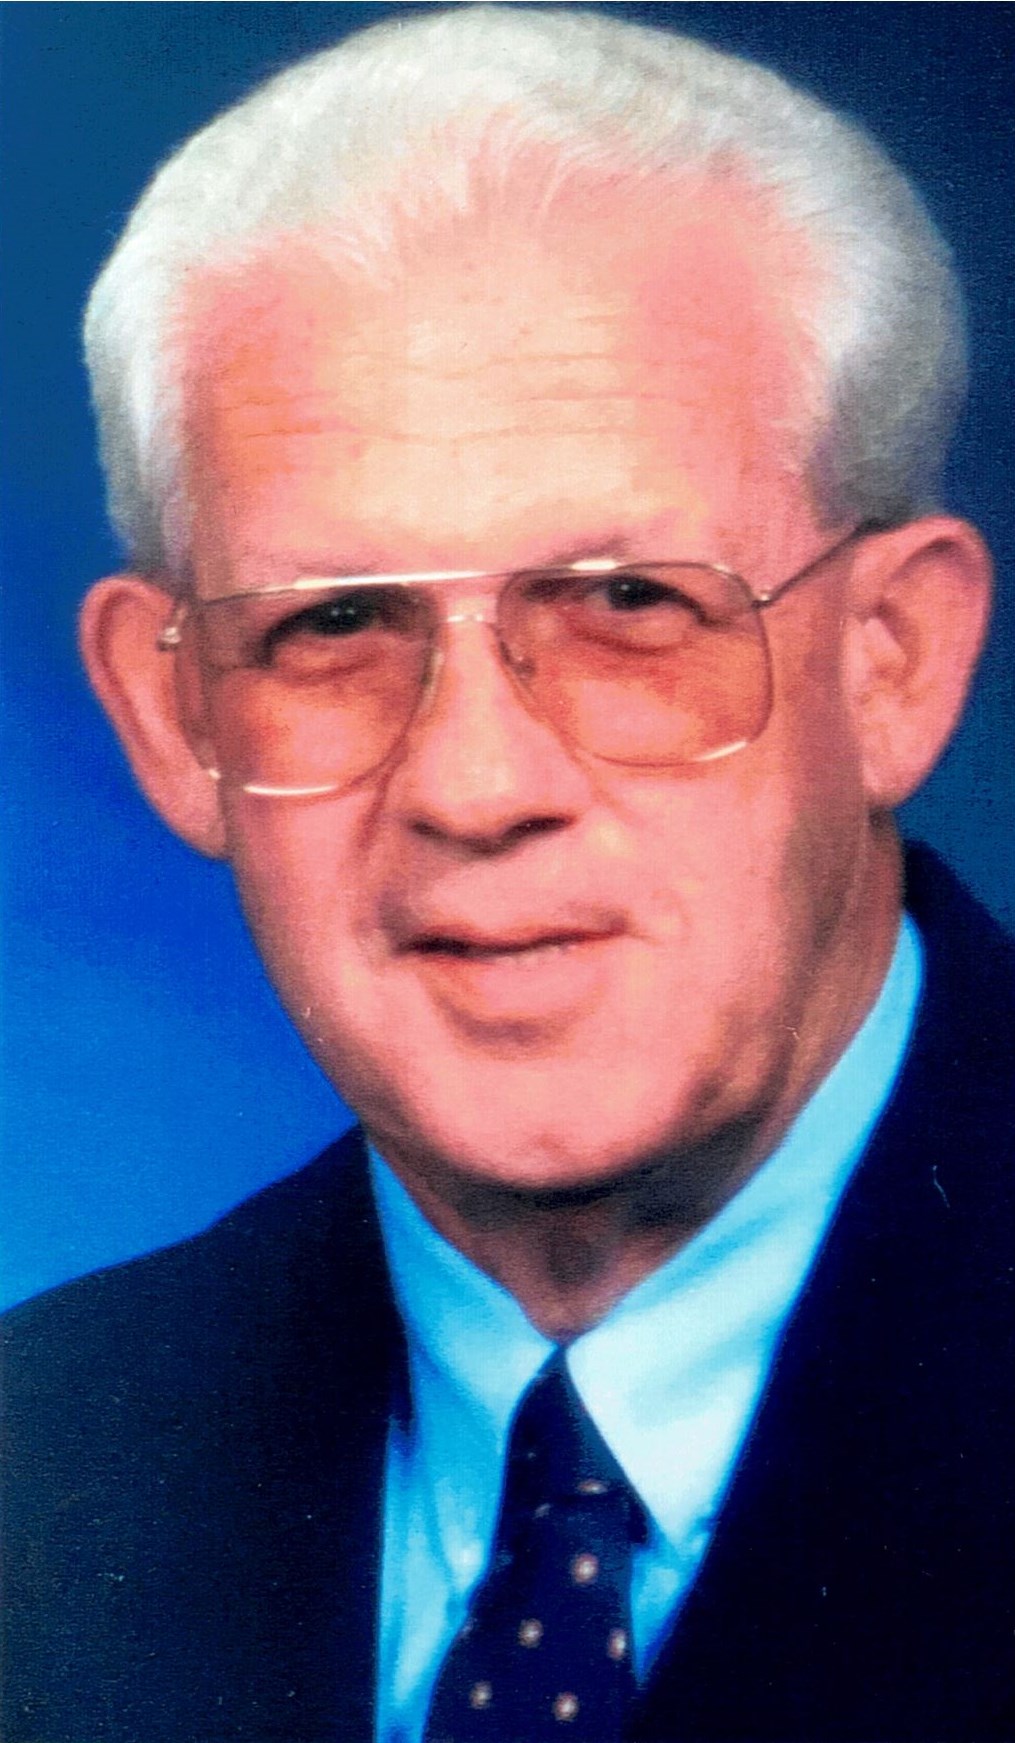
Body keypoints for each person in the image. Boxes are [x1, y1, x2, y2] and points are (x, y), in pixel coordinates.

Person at [2, 8, 1011, 1741]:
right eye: (333, 624)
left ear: (892, 662)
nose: (473, 787)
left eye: (628, 606)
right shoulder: (42, 1473)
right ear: (174, 720)